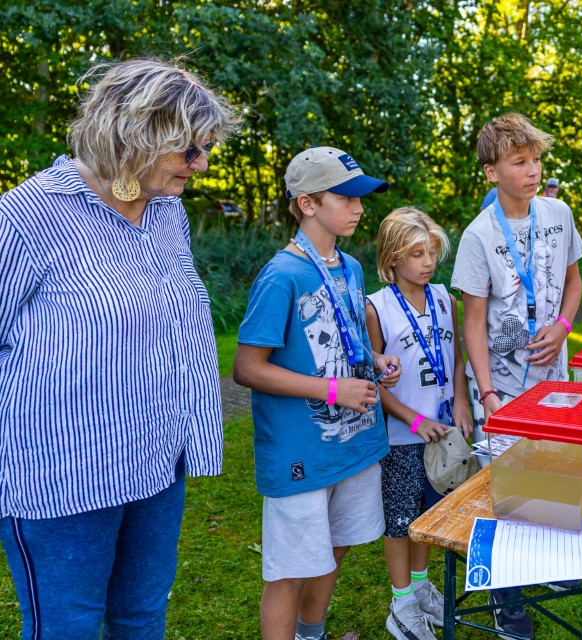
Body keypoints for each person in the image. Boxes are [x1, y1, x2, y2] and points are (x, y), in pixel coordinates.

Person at [0, 57, 237, 638]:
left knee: (141, 617)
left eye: (206, 148)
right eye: (190, 150)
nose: (202, 165)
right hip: (63, 477)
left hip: (156, 462)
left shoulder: (167, 213)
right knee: (67, 628)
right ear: (136, 134)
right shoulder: (27, 215)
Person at [233, 146, 402, 640]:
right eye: (345, 198)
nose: (358, 207)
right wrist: (333, 389)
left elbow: (347, 336)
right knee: (291, 568)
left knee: (336, 547)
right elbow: (247, 368)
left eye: (360, 197)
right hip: (301, 451)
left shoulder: (350, 266)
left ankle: (313, 633)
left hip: (354, 443)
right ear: (307, 203)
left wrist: (374, 361)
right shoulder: (281, 275)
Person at [451, 112, 582, 640]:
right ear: (491, 172)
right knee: (504, 491)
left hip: (553, 380)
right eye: (519, 162)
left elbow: (573, 283)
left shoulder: (559, 213)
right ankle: (506, 598)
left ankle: (544, 561)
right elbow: (473, 323)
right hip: (502, 387)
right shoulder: (478, 235)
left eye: (536, 161)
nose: (532, 172)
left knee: (550, 472)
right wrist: (486, 393)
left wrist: (564, 326)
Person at [366, 207, 472, 640]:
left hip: (443, 432)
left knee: (429, 515)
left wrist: (461, 402)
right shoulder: (376, 307)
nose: (428, 262)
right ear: (392, 257)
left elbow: (457, 358)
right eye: (416, 254)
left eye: (431, 252)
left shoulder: (445, 298)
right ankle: (402, 602)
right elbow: (373, 382)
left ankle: (421, 584)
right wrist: (413, 420)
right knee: (400, 519)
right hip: (402, 435)